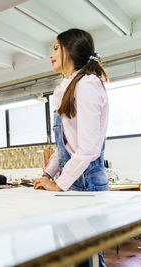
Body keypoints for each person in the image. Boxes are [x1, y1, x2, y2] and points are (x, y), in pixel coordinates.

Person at [33, 29, 109, 266]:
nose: (51, 55)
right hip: (74, 178)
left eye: (56, 48)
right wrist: (48, 172)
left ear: (70, 50)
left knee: (87, 259)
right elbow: (66, 145)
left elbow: (88, 148)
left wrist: (58, 183)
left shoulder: (87, 85)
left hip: (86, 180)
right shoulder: (67, 86)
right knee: (73, 257)